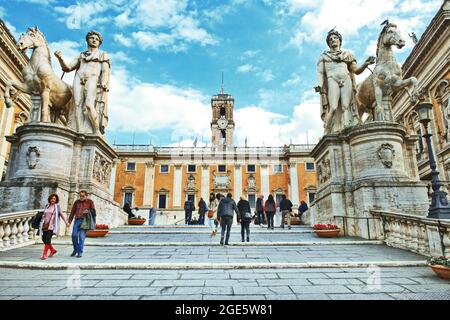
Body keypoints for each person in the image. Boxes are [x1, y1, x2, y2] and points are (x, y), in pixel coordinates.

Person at [315, 29, 375, 134]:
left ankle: (346, 129)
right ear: (328, 43)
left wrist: (365, 64)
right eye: (330, 39)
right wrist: (320, 84)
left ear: (340, 40)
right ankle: (327, 131)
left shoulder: (347, 55)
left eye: (335, 38)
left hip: (346, 79)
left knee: (345, 107)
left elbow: (356, 71)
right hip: (332, 79)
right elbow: (320, 72)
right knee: (333, 107)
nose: (333, 40)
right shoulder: (323, 56)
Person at [54, 30, 110, 135]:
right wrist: (60, 58)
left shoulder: (102, 55)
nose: (94, 40)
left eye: (97, 39)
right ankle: (78, 131)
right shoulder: (81, 55)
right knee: (77, 105)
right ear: (87, 40)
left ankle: (96, 130)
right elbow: (67, 68)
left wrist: (104, 82)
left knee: (89, 104)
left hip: (92, 78)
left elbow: (105, 71)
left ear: (99, 43)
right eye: (92, 38)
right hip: (78, 78)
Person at [39, 193, 69, 260]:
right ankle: (52, 250)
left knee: (47, 239)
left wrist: (66, 222)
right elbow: (44, 214)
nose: (53, 200)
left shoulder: (57, 207)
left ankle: (44, 254)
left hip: (52, 226)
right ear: (50, 199)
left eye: (54, 199)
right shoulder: (47, 206)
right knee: (44, 239)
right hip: (45, 225)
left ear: (56, 200)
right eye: (52, 198)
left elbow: (62, 215)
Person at [68, 190, 96, 258]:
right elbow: (72, 212)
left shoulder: (90, 202)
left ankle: (80, 252)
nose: (81, 197)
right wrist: (69, 221)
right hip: (77, 220)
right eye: (80, 196)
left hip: (85, 221)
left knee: (81, 237)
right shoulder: (76, 202)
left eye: (83, 196)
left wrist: (88, 211)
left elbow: (94, 212)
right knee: (74, 235)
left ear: (86, 196)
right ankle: (75, 249)